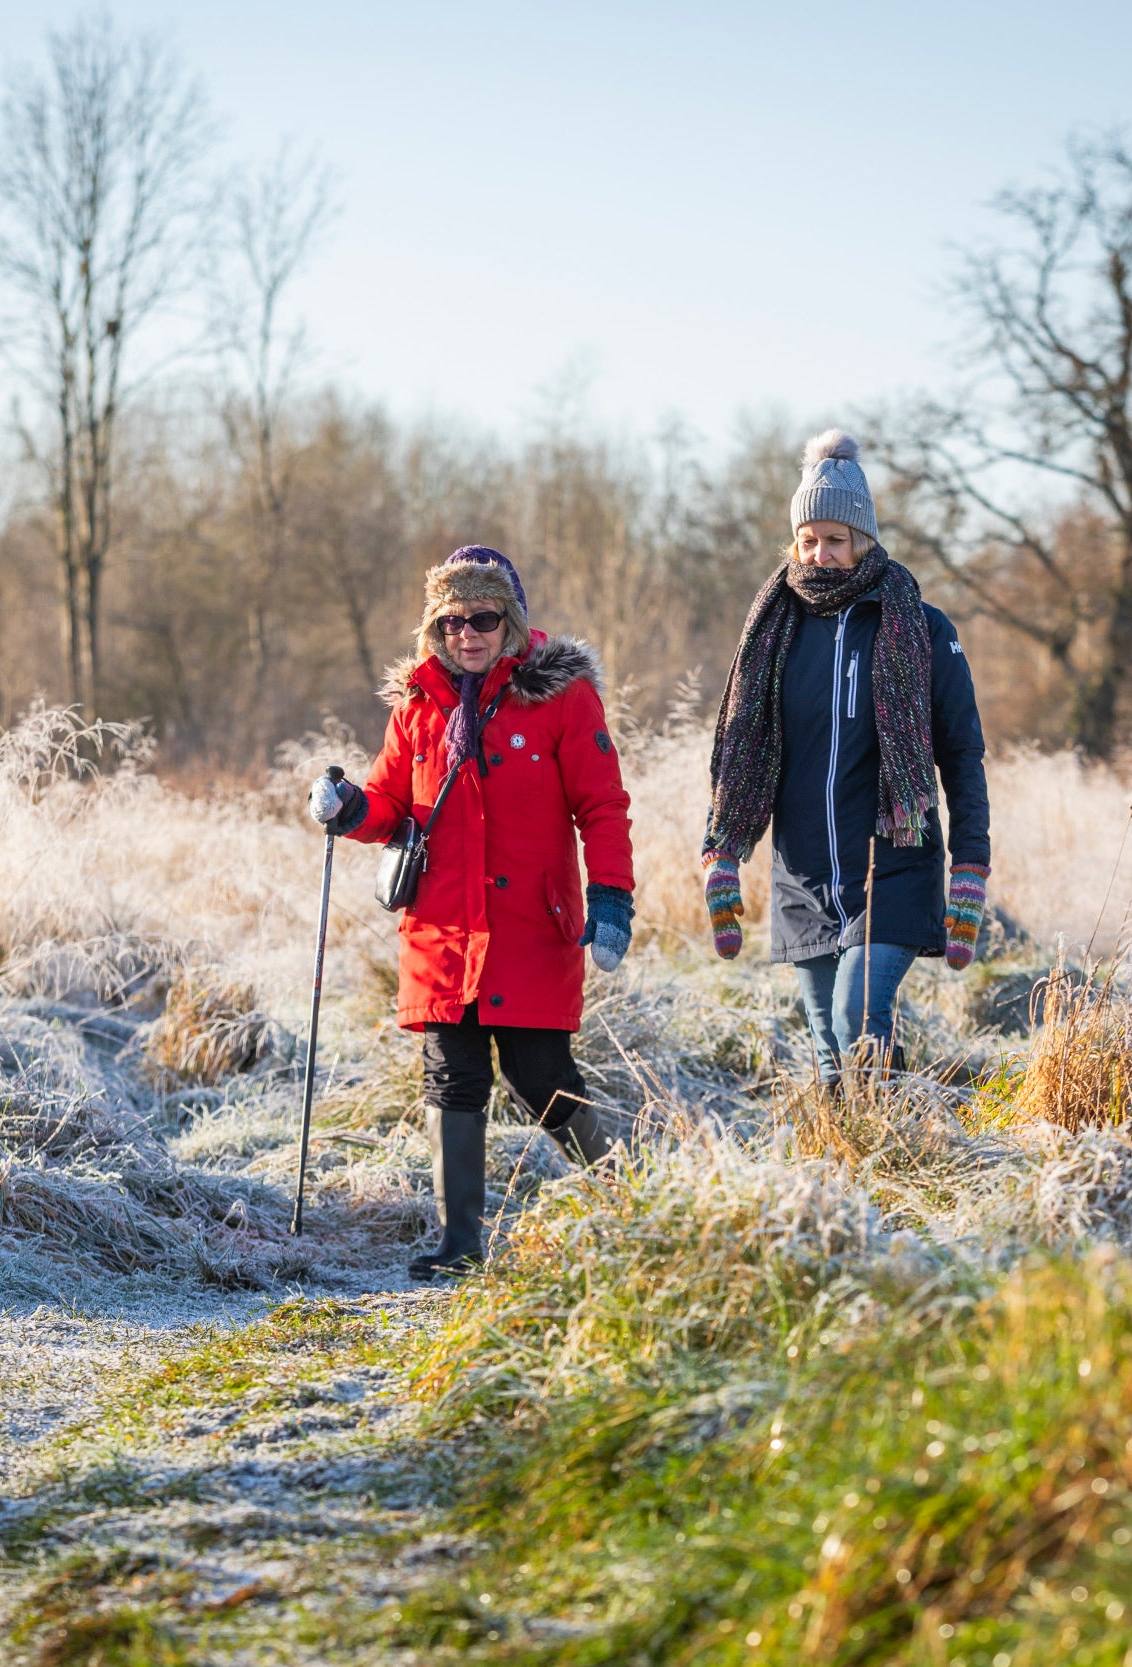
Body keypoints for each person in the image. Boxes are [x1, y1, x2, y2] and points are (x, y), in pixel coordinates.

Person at [309, 545, 635, 1280]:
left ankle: (632, 1204)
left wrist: (613, 895)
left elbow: (602, 806)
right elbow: (391, 805)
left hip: (528, 926)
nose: (468, 633)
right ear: (436, 627)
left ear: (511, 622)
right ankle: (461, 1245)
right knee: (450, 1077)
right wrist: (348, 808)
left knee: (538, 1077)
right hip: (441, 927)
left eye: (483, 617)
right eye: (452, 620)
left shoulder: (562, 697)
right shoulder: (418, 705)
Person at [700, 431, 992, 1086]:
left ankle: (892, 1151)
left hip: (892, 865)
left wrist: (970, 864)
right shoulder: (773, 632)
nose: (820, 554)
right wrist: (720, 849)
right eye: (809, 539)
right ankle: (864, 1170)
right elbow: (736, 747)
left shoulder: (920, 626)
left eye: (835, 539)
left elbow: (962, 753)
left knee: (858, 1018)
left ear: (863, 540)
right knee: (831, 1056)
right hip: (801, 874)